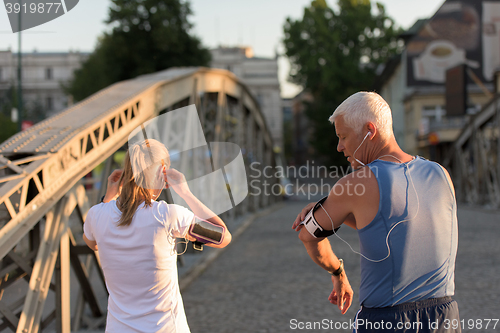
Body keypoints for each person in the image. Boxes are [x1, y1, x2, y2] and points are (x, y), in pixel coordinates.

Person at [292, 92, 460, 332]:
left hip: (389, 320)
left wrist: (338, 271)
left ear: (369, 130)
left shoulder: (355, 184)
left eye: (343, 137)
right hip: (444, 317)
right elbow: (397, 223)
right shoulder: (441, 174)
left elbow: (308, 236)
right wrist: (347, 212)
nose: (340, 147)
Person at [83, 139, 232, 333]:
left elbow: (93, 243)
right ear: (162, 170)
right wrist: (185, 192)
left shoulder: (96, 215)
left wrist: (109, 196)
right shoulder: (169, 215)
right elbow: (223, 237)